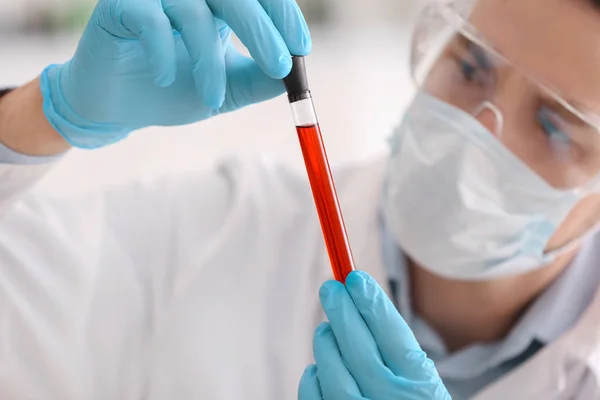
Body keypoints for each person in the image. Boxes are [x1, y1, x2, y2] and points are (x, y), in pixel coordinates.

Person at [2, 0, 600, 398]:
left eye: (557, 125)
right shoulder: (226, 233)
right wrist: (44, 115)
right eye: (469, 66)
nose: (478, 134)